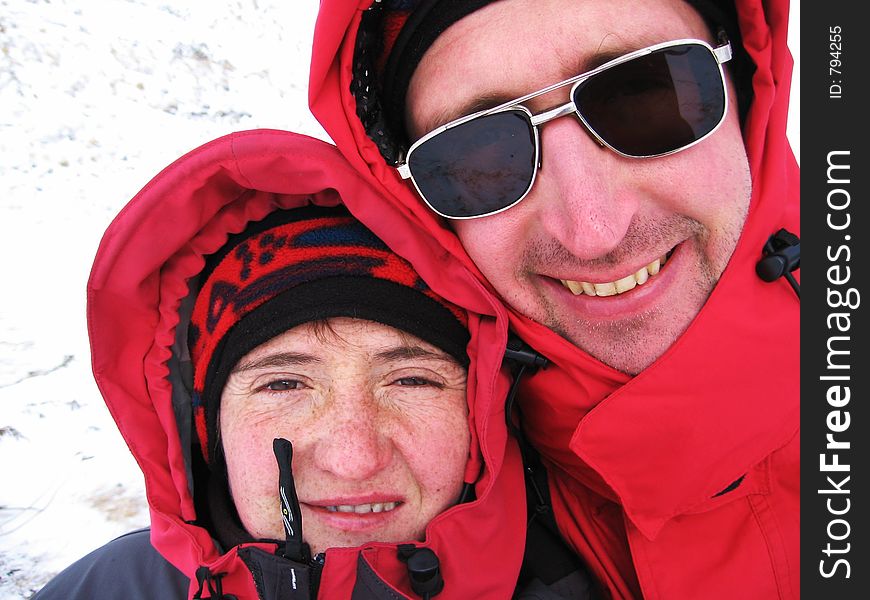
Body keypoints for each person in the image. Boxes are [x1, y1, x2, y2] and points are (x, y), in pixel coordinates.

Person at [308, 0, 800, 598]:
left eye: (644, 95)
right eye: (479, 156)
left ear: (746, 86)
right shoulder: (405, 525)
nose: (594, 232)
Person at [35, 131, 594, 599]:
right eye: (283, 382)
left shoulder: (592, 580)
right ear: (208, 428)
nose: (354, 460)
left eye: (411, 379)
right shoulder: (109, 588)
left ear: (480, 410)